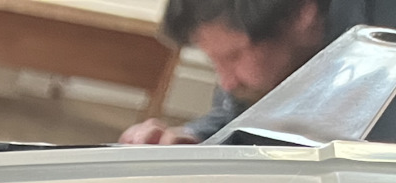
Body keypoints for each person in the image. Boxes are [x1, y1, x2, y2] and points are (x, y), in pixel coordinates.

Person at [121, 0, 396, 144]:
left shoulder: (384, 40)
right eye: (215, 60)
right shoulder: (256, 34)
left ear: (302, 13)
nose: (226, 82)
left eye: (233, 56)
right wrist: (195, 139)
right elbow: (240, 116)